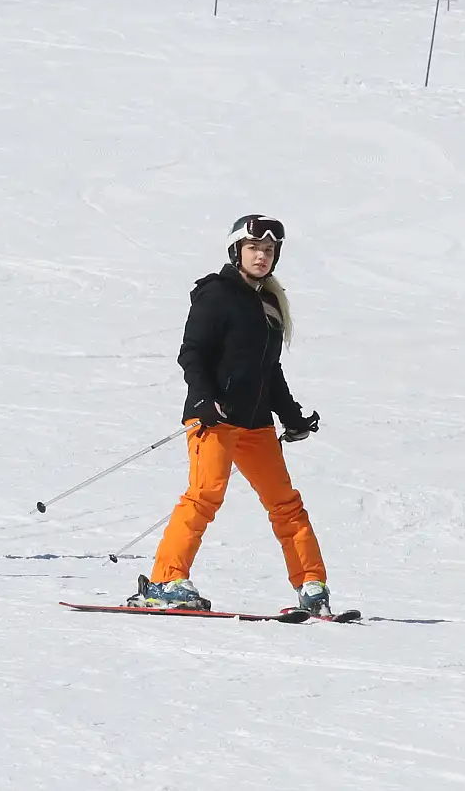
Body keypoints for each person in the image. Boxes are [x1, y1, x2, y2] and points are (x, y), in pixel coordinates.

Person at [127, 215, 330, 614]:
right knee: (204, 496)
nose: (262, 256)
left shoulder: (269, 303)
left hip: (255, 423)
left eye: (269, 250)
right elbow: (192, 353)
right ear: (237, 250)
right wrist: (204, 399)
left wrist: (292, 416)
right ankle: (165, 581)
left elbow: (268, 371)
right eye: (255, 248)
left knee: (286, 504)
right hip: (214, 419)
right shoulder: (216, 294)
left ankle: (311, 585)